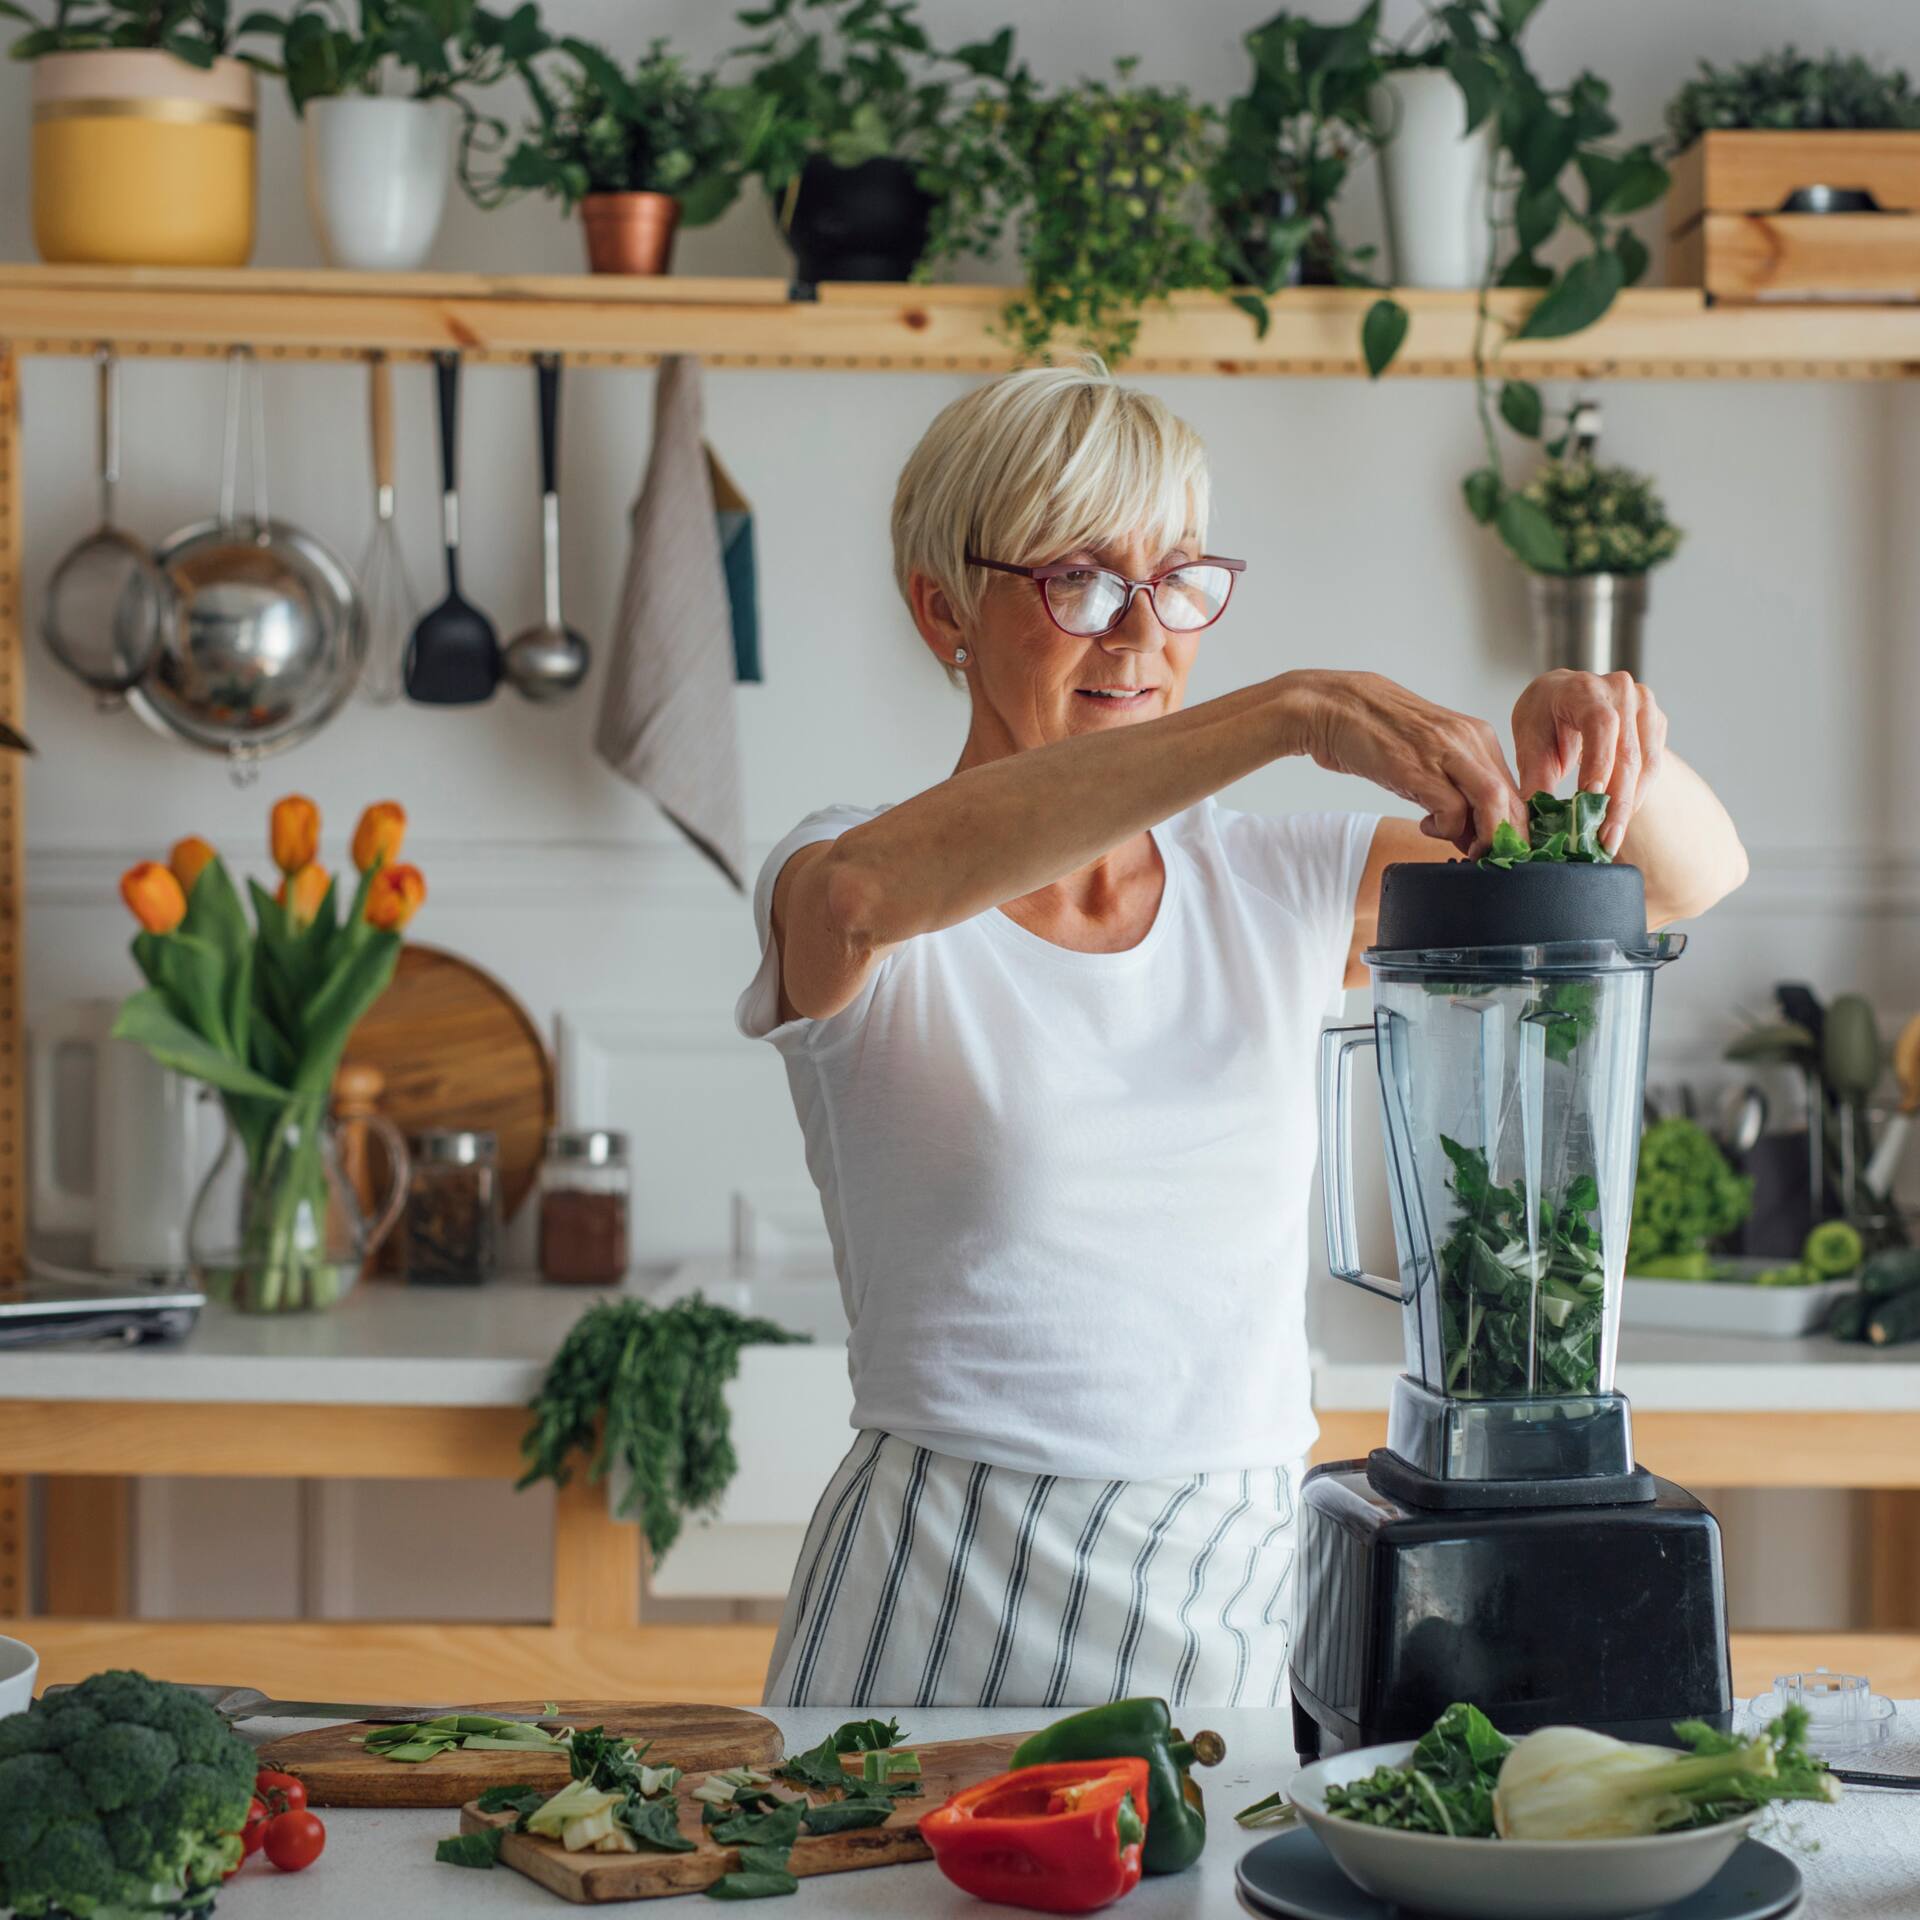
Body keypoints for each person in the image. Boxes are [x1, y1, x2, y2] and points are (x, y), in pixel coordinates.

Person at [736, 361, 1746, 1710]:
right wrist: (1286, 714)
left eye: (1178, 582)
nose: (1141, 638)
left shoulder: (1283, 885)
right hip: (942, 1590)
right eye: (1079, 582)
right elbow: (862, 898)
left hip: (1237, 1583)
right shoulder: (858, 875)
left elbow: (1682, 878)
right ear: (943, 612)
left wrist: (1610, 739)